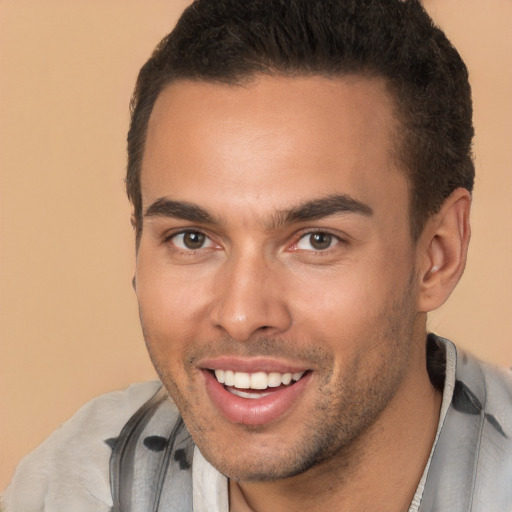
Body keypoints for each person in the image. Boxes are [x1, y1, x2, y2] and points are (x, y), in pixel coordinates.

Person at [3, 0, 512, 510]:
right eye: (192, 238)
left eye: (317, 240)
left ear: (437, 255)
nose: (242, 315)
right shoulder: (77, 484)